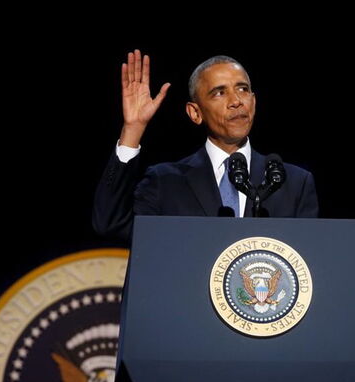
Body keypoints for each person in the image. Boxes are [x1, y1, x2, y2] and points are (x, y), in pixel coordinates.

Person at [92, 50, 319, 241]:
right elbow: (109, 224)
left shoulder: (293, 183)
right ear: (195, 113)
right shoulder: (165, 182)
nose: (236, 101)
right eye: (219, 92)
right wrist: (133, 128)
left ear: (254, 101)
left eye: (242, 89)